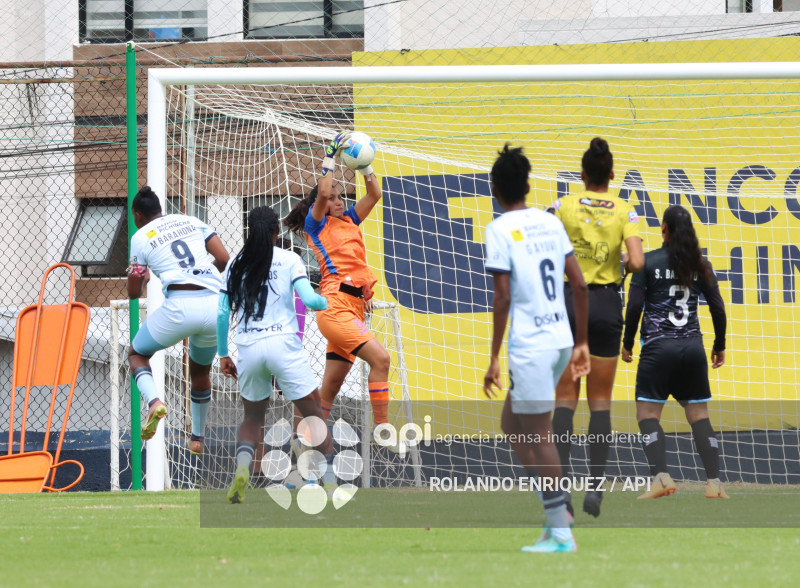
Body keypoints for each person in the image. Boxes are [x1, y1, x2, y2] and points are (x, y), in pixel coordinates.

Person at [483, 144, 590, 553]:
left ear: (495, 189)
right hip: (562, 339)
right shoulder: (551, 222)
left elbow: (503, 298)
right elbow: (578, 284)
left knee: (539, 434)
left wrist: (494, 357)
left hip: (531, 345)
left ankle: (561, 531)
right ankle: (556, 515)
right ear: (528, 185)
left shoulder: (498, 229)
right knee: (512, 425)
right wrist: (581, 342)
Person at [550, 137, 644, 518]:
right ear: (612, 175)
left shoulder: (562, 205)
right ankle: (595, 489)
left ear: (583, 174)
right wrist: (620, 257)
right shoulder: (626, 211)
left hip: (569, 303)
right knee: (600, 402)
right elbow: (637, 261)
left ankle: (561, 498)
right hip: (606, 306)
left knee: (564, 401)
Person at [216, 206, 331, 504]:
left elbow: (221, 313)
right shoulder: (290, 259)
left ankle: (242, 469)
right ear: (276, 232)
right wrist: (325, 300)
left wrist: (223, 354)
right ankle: (324, 481)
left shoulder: (233, 266)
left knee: (252, 418)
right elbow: (309, 299)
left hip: (250, 349)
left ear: (248, 231)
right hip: (284, 347)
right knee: (315, 417)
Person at [283, 131, 393, 435]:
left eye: (339, 196)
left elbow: (374, 195)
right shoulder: (315, 225)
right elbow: (321, 194)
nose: (337, 201)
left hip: (354, 309)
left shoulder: (350, 221)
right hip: (336, 308)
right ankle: (382, 427)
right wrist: (330, 156)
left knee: (329, 388)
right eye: (332, 198)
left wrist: (365, 166)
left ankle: (302, 438)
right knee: (381, 358)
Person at [621, 204, 728, 500]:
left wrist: (628, 343)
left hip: (658, 349)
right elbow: (718, 308)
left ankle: (661, 477)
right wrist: (719, 345)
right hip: (692, 348)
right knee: (699, 416)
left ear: (664, 229)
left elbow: (633, 308)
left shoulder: (648, 262)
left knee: (647, 413)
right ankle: (715, 483)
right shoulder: (700, 265)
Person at [127, 186, 229, 454]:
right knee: (200, 372)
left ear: (137, 214)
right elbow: (223, 258)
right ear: (160, 209)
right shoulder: (191, 220)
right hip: (216, 305)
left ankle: (154, 402)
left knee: (137, 353)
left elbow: (133, 293)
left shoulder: (139, 237)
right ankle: (197, 438)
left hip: (180, 306)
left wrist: (143, 279)